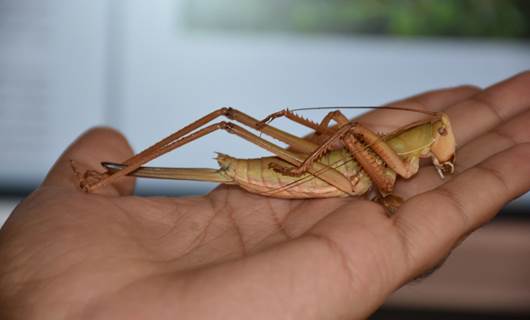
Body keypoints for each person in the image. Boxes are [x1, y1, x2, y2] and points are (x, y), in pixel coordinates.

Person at [0, 72, 529, 320]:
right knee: (227, 118)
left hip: (323, 166)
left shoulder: (404, 153)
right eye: (439, 136)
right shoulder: (392, 152)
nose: (442, 141)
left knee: (343, 127)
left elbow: (351, 137)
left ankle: (113, 172)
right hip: (308, 170)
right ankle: (114, 173)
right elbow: (358, 146)